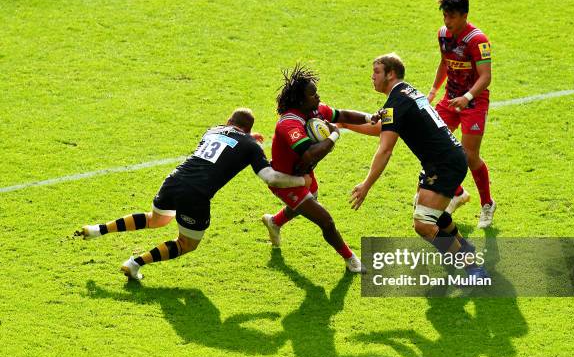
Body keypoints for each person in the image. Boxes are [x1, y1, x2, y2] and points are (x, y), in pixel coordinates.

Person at [76, 108, 311, 280]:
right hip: (196, 194)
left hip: (175, 180)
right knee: (186, 243)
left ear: (228, 121)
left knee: (155, 219)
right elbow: (270, 177)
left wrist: (248, 140)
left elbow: (231, 141)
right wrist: (302, 180)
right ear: (248, 130)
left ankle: (98, 230)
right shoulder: (251, 146)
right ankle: (134, 263)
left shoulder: (213, 130)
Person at [349, 53, 488, 278]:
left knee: (423, 224)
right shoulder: (405, 93)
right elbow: (381, 129)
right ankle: (466, 251)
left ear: (390, 74)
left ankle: (473, 267)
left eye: (376, 72)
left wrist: (366, 185)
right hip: (444, 160)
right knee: (429, 212)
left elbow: (385, 149)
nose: (372, 77)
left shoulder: (397, 101)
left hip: (444, 164)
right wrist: (344, 122)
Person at [261, 64, 373, 273]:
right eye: (312, 94)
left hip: (304, 174)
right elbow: (309, 154)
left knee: (310, 200)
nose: (318, 97)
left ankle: (274, 222)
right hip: (285, 181)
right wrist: (334, 136)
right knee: (326, 221)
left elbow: (343, 115)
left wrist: (370, 117)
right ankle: (351, 260)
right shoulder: (289, 124)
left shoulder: (314, 111)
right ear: (300, 100)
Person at [428, 0, 496, 228]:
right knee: (431, 144)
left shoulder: (478, 40)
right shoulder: (443, 35)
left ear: (464, 15)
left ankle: (487, 204)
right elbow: (444, 64)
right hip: (450, 99)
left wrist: (467, 97)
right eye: (445, 15)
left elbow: (486, 77)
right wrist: (434, 91)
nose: (447, 21)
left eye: (452, 17)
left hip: (474, 102)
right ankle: (457, 193)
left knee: (468, 156)